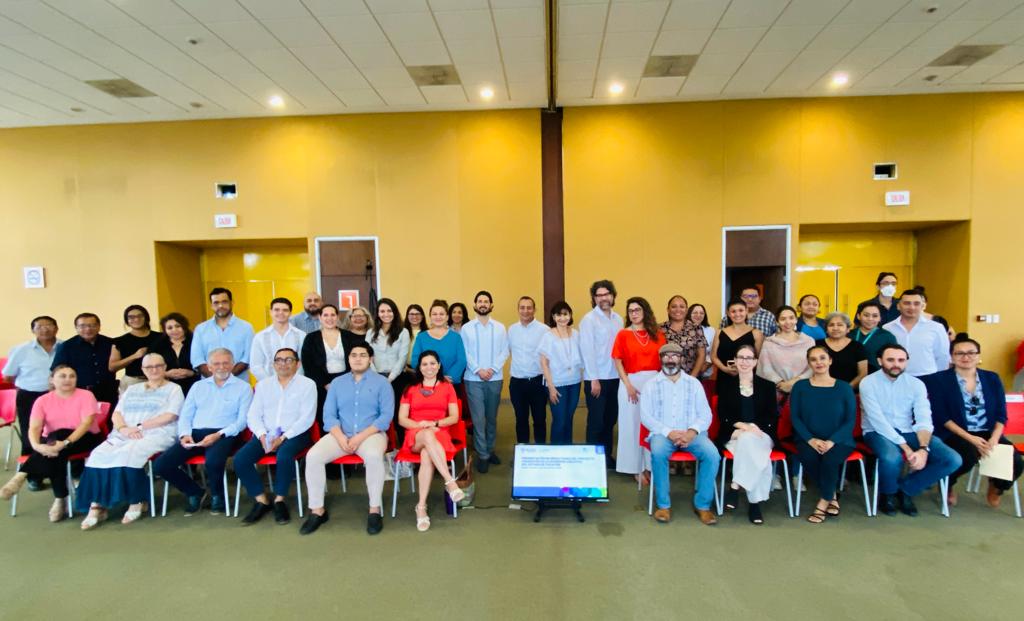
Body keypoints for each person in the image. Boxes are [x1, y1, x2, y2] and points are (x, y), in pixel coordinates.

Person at [75, 353, 183, 529]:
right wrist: (124, 429)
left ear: (165, 367)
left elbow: (170, 416)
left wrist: (139, 427)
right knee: (97, 455)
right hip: (125, 432)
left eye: (158, 366)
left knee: (128, 454)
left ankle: (137, 501)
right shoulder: (132, 389)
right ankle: (97, 506)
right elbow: (117, 414)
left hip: (157, 433)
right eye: (149, 367)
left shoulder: (174, 389)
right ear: (143, 370)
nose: (154, 370)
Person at [301, 343, 393, 536]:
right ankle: (317, 510)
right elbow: (329, 415)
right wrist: (340, 436)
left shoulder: (382, 383)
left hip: (371, 434)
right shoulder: (337, 383)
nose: (358, 358)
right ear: (348, 359)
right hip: (340, 434)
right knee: (313, 456)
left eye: (363, 355)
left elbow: (385, 417)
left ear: (371, 359)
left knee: (374, 457)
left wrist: (360, 437)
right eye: (354, 355)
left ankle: (374, 509)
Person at [860, 344, 961, 516]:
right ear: (880, 361)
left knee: (952, 459)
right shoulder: (868, 383)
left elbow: (924, 418)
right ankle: (888, 494)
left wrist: (923, 449)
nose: (896, 364)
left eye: (901, 360)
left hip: (908, 430)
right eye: (890, 360)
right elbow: (878, 421)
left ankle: (906, 490)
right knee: (891, 458)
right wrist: (907, 448)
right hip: (876, 431)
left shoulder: (916, 384)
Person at [923, 336, 1024, 509]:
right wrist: (972, 439)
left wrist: (994, 438)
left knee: (1015, 460)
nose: (966, 357)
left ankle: (997, 487)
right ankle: (948, 484)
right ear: (952, 357)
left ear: (978, 356)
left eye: (971, 353)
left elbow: (1001, 414)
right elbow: (942, 417)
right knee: (967, 456)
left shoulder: (992, 378)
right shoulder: (939, 380)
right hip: (954, 432)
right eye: (960, 353)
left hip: (987, 431)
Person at [152, 348, 252, 516]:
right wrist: (185, 434)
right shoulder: (197, 386)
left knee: (212, 462)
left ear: (232, 364)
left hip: (226, 434)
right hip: (195, 433)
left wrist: (218, 435)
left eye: (225, 363)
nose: (221, 367)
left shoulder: (243, 388)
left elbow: (242, 422)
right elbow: (186, 415)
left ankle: (218, 496)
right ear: (209, 367)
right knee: (161, 465)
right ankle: (195, 492)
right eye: (216, 363)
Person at [0, 365, 103, 522]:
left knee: (57, 441)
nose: (68, 379)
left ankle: (26, 477)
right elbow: (34, 427)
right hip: (53, 442)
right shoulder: (42, 400)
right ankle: (59, 499)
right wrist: (37, 446)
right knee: (54, 451)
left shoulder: (86, 395)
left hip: (85, 438)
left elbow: (86, 423)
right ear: (52, 380)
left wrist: (65, 442)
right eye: (62, 376)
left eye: (72, 376)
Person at [639, 343, 719, 525]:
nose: (670, 359)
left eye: (674, 355)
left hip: (693, 434)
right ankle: (663, 505)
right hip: (663, 434)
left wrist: (692, 432)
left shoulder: (694, 383)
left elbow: (706, 414)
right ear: (660, 359)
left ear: (681, 359)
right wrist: (669, 433)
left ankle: (703, 505)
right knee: (658, 453)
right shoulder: (651, 385)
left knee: (712, 455)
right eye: (666, 355)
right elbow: (646, 416)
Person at [236, 348, 315, 526]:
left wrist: (283, 438)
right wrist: (262, 435)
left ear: (297, 364)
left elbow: (307, 418)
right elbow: (253, 415)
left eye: (288, 360)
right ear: (273, 364)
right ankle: (261, 500)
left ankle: (280, 500)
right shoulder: (263, 385)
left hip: (295, 433)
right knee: (241, 459)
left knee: (284, 456)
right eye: (279, 360)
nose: (283, 364)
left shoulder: (307, 384)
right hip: (266, 434)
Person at [398, 350, 466, 532]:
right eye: (425, 364)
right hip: (415, 434)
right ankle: (450, 482)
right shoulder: (410, 388)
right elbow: (402, 419)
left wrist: (435, 423)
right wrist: (420, 425)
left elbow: (454, 417)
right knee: (427, 436)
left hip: (439, 432)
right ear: (419, 368)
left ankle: (421, 507)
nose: (429, 367)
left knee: (427, 454)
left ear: (439, 365)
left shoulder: (447, 387)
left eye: (433, 363)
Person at [790, 346, 856, 524]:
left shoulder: (844, 387)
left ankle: (823, 501)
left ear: (830, 360)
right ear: (809, 363)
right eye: (813, 359)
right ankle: (832, 494)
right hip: (807, 438)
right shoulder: (800, 387)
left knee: (829, 460)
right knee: (809, 457)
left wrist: (832, 441)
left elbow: (850, 420)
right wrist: (811, 440)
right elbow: (795, 417)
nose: (818, 362)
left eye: (822, 358)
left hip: (839, 440)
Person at [714, 344, 779, 524]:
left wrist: (753, 428)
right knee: (755, 451)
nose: (744, 361)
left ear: (755, 361)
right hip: (734, 433)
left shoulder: (767, 386)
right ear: (735, 361)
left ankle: (735, 486)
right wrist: (742, 426)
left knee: (748, 441)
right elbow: (723, 414)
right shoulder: (726, 385)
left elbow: (771, 415)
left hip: (761, 433)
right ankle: (754, 504)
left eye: (749, 358)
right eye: (740, 357)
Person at [3, 315, 61, 491]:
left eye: (49, 325)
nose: (45, 329)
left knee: (56, 435)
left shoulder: (65, 346)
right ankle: (33, 476)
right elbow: (8, 376)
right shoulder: (21, 350)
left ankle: (56, 473)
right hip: (30, 397)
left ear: (56, 328)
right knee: (31, 436)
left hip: (59, 397)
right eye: (40, 326)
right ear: (32, 330)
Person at [612, 296, 667, 481]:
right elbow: (617, 361)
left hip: (654, 382)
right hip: (631, 382)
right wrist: (627, 384)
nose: (634, 314)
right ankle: (635, 467)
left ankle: (650, 466)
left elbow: (664, 361)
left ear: (645, 311)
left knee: (651, 426)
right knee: (632, 426)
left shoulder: (657, 334)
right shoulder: (623, 334)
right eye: (630, 311)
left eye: (637, 310)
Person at [460, 291, 509, 472]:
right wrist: (478, 370)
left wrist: (492, 369)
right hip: (473, 379)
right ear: (475, 305)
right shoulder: (466, 328)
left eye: (486, 301)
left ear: (491, 305)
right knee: (478, 419)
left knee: (491, 418)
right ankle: (482, 454)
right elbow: (465, 352)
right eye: (480, 301)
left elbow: (505, 350)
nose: (483, 304)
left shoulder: (500, 328)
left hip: (494, 378)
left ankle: (490, 448)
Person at [579, 280, 623, 468]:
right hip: (596, 379)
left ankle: (606, 456)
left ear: (612, 296)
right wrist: (594, 379)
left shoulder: (618, 319)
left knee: (610, 420)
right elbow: (587, 351)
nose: (603, 298)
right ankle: (592, 460)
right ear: (594, 298)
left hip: (615, 377)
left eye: (606, 294)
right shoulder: (589, 320)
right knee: (596, 421)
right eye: (599, 295)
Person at [301, 305, 365, 425]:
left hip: (348, 381)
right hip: (321, 384)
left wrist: (346, 381)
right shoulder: (311, 338)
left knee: (348, 415)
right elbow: (308, 365)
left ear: (337, 317)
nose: (329, 318)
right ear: (320, 317)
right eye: (325, 315)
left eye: (333, 315)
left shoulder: (349, 336)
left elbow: (359, 358)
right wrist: (325, 384)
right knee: (325, 417)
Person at [410, 300, 467, 428]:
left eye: (441, 314)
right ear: (430, 316)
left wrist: (447, 379)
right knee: (428, 421)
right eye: (434, 314)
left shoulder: (455, 337)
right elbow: (415, 361)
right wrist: (437, 378)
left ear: (447, 317)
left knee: (451, 421)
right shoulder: (421, 337)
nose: (438, 317)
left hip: (451, 384)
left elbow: (461, 360)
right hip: (427, 386)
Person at [539, 301, 583, 444]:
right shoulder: (548, 336)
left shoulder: (576, 334)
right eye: (558, 315)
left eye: (565, 314)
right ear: (553, 317)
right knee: (560, 420)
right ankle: (556, 451)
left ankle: (567, 449)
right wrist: (551, 387)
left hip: (575, 382)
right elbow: (544, 363)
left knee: (569, 418)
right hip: (556, 383)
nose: (562, 318)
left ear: (570, 315)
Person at [51, 312, 118, 407]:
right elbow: (58, 370)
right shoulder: (66, 346)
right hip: (79, 393)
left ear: (99, 326)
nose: (88, 329)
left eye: (92, 325)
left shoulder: (111, 343)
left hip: (108, 393)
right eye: (82, 326)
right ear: (76, 328)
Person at [507, 296, 550, 444]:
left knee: (540, 419)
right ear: (518, 309)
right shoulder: (511, 330)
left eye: (529, 308)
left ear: (534, 309)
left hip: (538, 382)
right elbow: (507, 351)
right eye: (522, 307)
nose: (525, 311)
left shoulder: (544, 330)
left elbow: (549, 356)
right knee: (521, 420)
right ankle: (523, 451)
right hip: (517, 383)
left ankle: (540, 451)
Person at [369, 299, 412, 443]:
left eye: (389, 311)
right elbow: (368, 356)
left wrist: (390, 378)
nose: (386, 314)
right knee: (379, 413)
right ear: (377, 314)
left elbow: (402, 357)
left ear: (394, 312)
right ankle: (384, 446)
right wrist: (378, 377)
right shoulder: (371, 333)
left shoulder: (403, 332)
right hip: (376, 378)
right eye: (382, 311)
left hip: (398, 377)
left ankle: (404, 445)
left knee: (399, 412)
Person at [190, 288, 255, 379]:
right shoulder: (200, 329)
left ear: (232, 303)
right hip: (208, 384)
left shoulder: (246, 328)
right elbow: (197, 359)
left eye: (224, 302)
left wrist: (227, 378)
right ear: (211, 305)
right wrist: (215, 379)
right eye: (216, 303)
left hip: (239, 383)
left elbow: (248, 358)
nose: (220, 306)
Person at [883, 289, 950, 376]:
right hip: (896, 377)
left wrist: (935, 376)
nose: (912, 307)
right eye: (907, 303)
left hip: (928, 377)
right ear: (898, 306)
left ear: (922, 306)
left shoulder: (937, 328)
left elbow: (943, 357)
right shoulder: (887, 328)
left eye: (916, 304)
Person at [756, 305, 814, 399]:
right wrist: (781, 383)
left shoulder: (808, 341)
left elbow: (812, 367)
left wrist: (793, 382)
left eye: (791, 318)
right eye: (783, 319)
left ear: (796, 320)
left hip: (803, 389)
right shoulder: (769, 343)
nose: (788, 322)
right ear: (777, 322)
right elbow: (765, 368)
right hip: (777, 392)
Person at [711, 299, 765, 398]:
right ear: (728, 313)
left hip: (747, 379)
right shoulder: (719, 332)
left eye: (741, 310)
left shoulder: (756, 333)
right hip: (724, 378)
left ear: (746, 311)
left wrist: (744, 369)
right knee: (724, 405)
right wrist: (725, 369)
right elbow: (713, 356)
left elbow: (759, 359)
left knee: (746, 405)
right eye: (733, 311)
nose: (737, 314)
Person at [109, 305, 167, 396]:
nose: (136, 319)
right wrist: (134, 356)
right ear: (127, 321)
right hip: (133, 381)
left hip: (159, 379)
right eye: (131, 317)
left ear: (146, 318)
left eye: (140, 316)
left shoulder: (161, 337)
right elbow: (112, 367)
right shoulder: (119, 341)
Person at [250, 298, 306, 381]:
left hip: (296, 383)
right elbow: (256, 366)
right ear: (271, 312)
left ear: (290, 313)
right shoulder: (260, 337)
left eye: (285, 310)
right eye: (277, 310)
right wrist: (272, 383)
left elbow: (304, 363)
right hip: (268, 385)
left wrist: (294, 382)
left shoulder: (301, 335)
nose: (281, 313)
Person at [816, 312, 868, 389]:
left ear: (848, 329)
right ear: (826, 329)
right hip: (820, 389)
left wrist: (846, 389)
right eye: (831, 325)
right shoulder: (817, 345)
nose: (835, 328)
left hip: (849, 390)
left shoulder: (857, 347)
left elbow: (863, 374)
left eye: (840, 325)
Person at [659, 295, 707, 378]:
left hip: (691, 376)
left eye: (682, 307)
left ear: (687, 310)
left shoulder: (696, 328)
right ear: (668, 309)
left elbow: (701, 355)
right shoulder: (660, 329)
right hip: (665, 377)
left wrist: (692, 378)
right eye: (674, 307)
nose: (678, 310)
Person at [850, 301, 898, 374]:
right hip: (849, 376)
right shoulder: (848, 335)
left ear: (880, 318)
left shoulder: (888, 337)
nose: (870, 319)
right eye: (866, 315)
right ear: (858, 316)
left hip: (876, 377)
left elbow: (893, 360)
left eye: (875, 316)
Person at [156, 312, 198, 396]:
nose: (174, 330)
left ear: (184, 326)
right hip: (167, 387)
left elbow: (206, 364)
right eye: (169, 328)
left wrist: (192, 373)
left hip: (194, 386)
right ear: (165, 330)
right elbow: (150, 366)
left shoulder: (196, 342)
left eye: (178, 326)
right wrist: (165, 374)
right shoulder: (158, 345)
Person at [687, 303, 716, 388]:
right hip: (686, 370)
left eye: (701, 313)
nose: (698, 315)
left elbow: (714, 351)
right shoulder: (683, 329)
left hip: (704, 372)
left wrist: (704, 366)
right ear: (689, 314)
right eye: (695, 312)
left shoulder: (711, 330)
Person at [403, 304, 427, 368]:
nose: (414, 316)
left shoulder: (428, 333)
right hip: (403, 368)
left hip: (422, 368)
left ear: (422, 316)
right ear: (407, 316)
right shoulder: (402, 332)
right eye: (411, 314)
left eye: (417, 314)